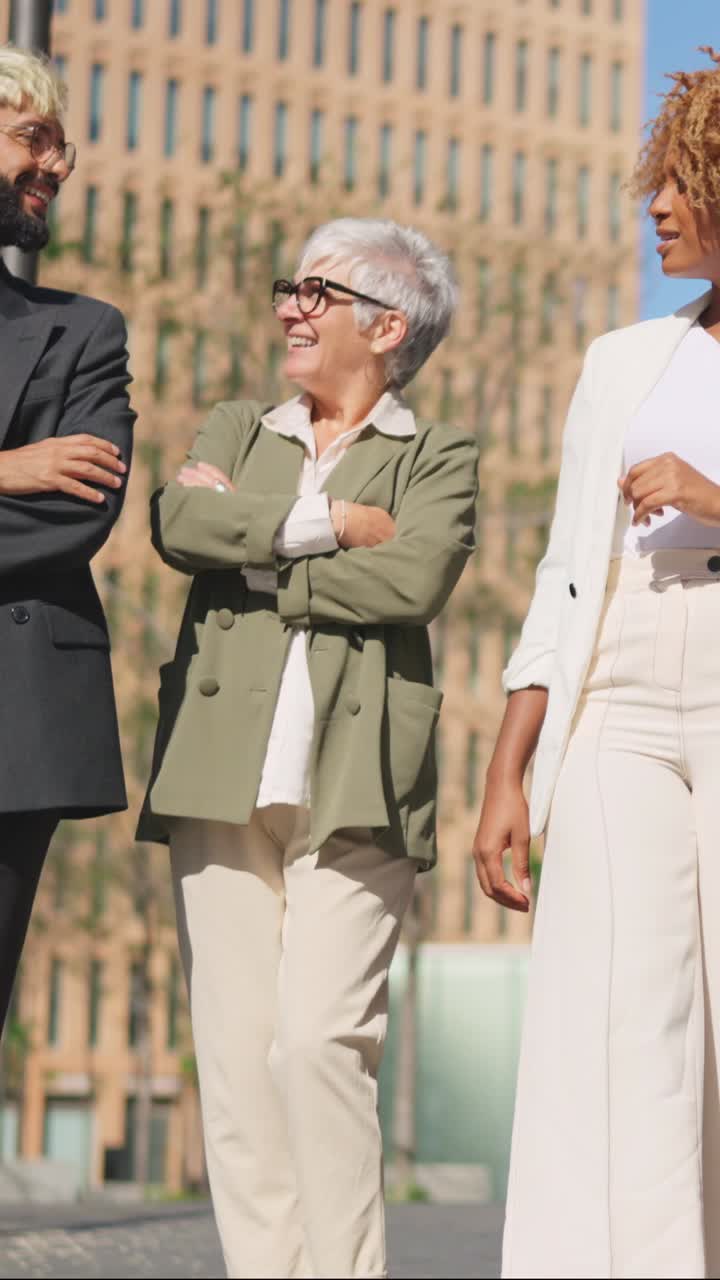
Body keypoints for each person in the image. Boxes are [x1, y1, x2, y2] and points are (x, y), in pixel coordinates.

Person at [138, 217, 477, 1279]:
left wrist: (252, 537)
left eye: (313, 293)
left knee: (321, 1045)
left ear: (387, 327)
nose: (287, 306)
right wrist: (325, 523)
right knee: (239, 1066)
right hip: (217, 771)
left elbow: (414, 582)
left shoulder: (438, 454)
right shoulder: (241, 421)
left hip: (360, 782)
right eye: (291, 288)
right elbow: (175, 526)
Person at [474, 47, 720, 1279]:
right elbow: (565, 574)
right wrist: (512, 765)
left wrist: (717, 496)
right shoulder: (625, 358)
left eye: (682, 178)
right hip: (615, 690)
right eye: (655, 179)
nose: (656, 203)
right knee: (625, 1022)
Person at [0, 47, 134, 1035]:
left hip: (15, 718)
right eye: (31, 137)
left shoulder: (83, 331)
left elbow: (76, 509)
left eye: (61, 145)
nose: (56, 164)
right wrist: (6, 468)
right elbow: (29, 491)